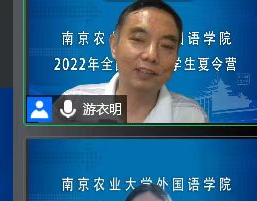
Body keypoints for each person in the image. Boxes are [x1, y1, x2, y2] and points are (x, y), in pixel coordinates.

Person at [62, 0, 208, 124]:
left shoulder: (192, 117)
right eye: (138, 39)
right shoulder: (74, 104)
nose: (151, 55)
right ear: (114, 46)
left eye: (167, 46)